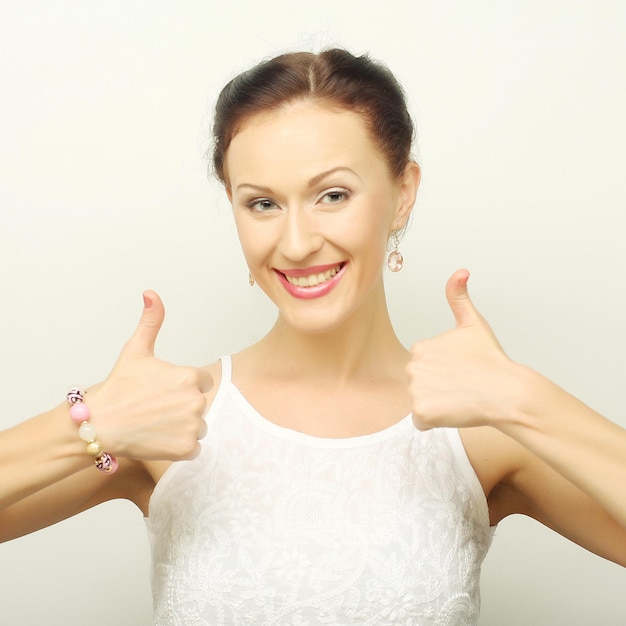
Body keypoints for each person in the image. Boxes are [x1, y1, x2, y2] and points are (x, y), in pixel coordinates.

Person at [1, 48, 625, 625]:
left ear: (403, 193)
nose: (296, 243)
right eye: (262, 204)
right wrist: (88, 424)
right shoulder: (166, 421)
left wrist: (525, 400)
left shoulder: (482, 429)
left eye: (333, 194)